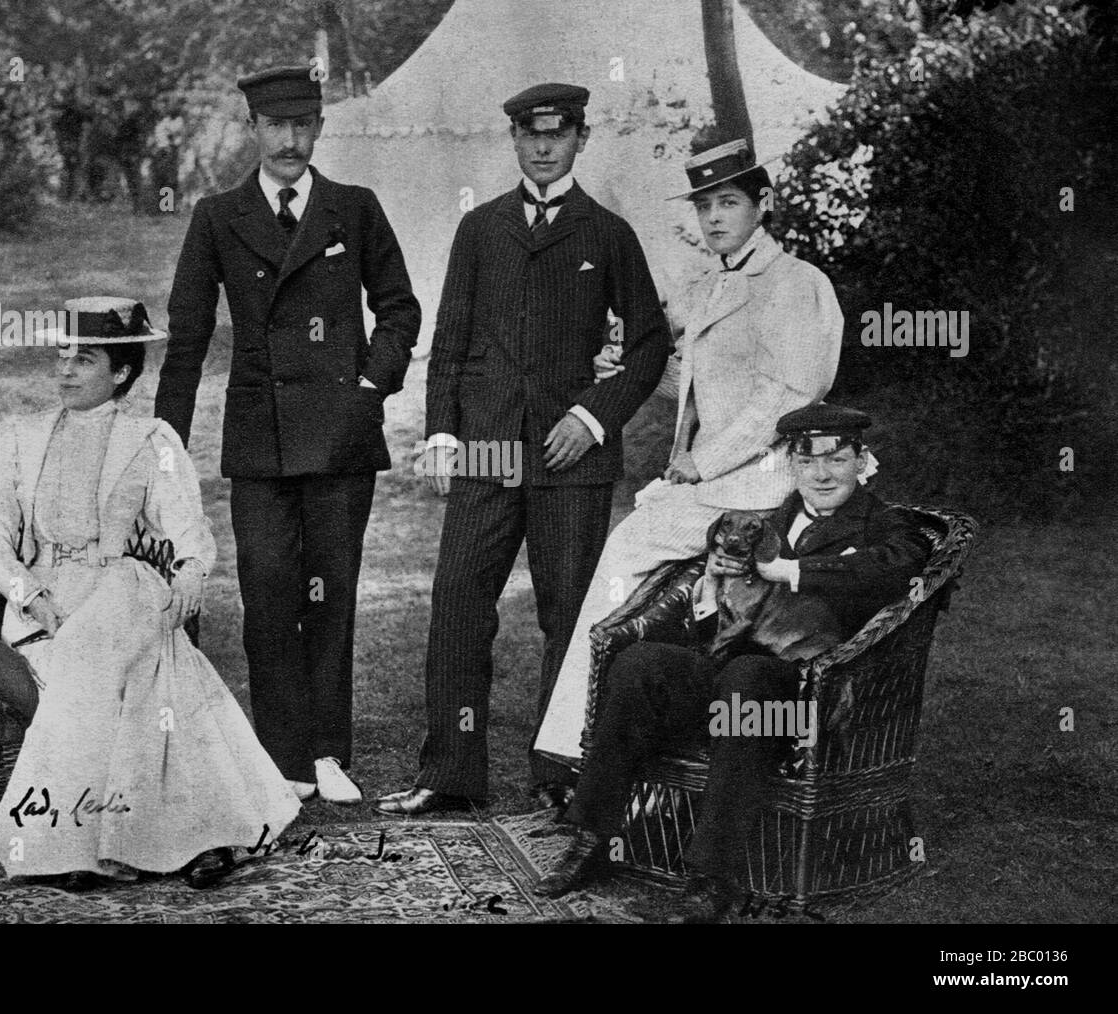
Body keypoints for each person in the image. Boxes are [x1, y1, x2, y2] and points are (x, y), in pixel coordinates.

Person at [375, 83, 670, 816]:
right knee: (457, 601)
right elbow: (450, 339)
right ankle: (450, 773)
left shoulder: (608, 233)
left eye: (558, 134)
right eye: (531, 135)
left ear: (581, 139)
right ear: (513, 141)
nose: (544, 147)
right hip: (487, 448)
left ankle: (558, 773)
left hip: (572, 457)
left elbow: (649, 343)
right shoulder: (481, 227)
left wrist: (594, 417)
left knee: (568, 611)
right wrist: (443, 430)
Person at [531, 404, 932, 921]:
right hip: (729, 668)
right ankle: (591, 837)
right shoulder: (766, 519)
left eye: (837, 458)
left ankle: (709, 877)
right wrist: (710, 585)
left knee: (747, 678)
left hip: (811, 689)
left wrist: (789, 570)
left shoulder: (886, 525)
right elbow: (713, 619)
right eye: (808, 461)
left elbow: (899, 567)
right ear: (791, 465)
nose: (822, 473)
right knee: (641, 662)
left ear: (862, 460)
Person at [533, 136, 845, 772]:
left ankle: (575, 745)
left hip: (757, 487)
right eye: (704, 207)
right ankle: (597, 744)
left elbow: (788, 394)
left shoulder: (794, 284)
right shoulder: (710, 285)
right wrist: (630, 370)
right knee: (627, 571)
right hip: (711, 486)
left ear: (764, 203)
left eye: (728, 202)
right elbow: (701, 384)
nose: (714, 219)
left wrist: (703, 463)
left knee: (621, 556)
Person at [155, 67, 421, 804]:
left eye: (305, 124)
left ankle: (330, 752)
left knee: (331, 592)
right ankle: (284, 760)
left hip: (341, 439)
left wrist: (371, 388)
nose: (291, 140)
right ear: (254, 128)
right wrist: (163, 447)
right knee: (268, 591)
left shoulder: (354, 209)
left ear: (321, 128)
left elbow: (400, 309)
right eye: (277, 125)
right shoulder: (217, 216)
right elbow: (188, 337)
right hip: (261, 442)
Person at [0, 297, 301, 891]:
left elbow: (187, 528)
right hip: (44, 599)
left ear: (121, 372)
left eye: (86, 359)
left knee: (126, 636)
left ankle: (75, 843)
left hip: (122, 588)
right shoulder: (15, 437)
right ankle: (204, 835)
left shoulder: (153, 441)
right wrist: (28, 592)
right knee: (162, 667)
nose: (66, 370)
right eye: (62, 355)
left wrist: (193, 572)